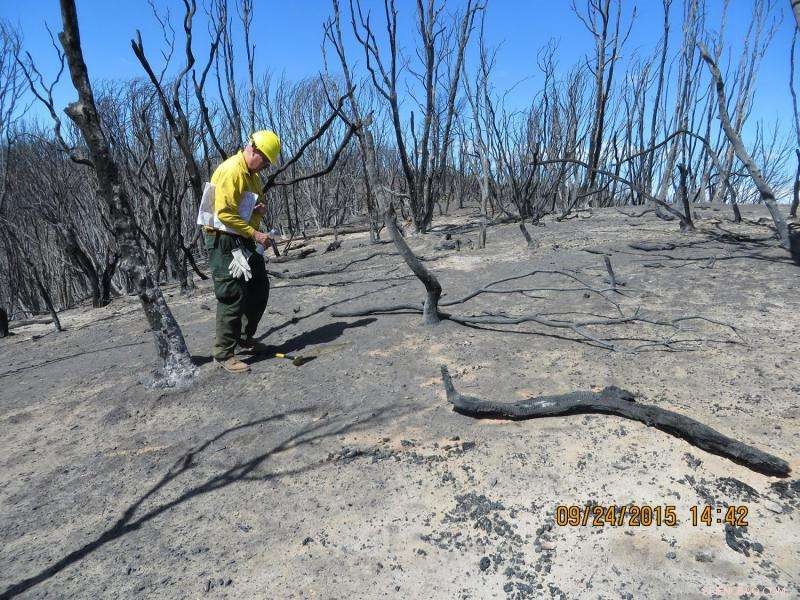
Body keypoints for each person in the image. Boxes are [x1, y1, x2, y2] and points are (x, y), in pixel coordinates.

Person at [202, 130, 281, 374]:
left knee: (258, 287)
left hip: (243, 236)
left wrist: (259, 212)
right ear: (253, 149)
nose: (265, 166)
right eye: (265, 160)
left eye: (269, 163)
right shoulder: (232, 170)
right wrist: (255, 234)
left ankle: (245, 338)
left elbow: (247, 206)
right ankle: (224, 353)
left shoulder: (253, 175)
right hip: (223, 239)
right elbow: (223, 213)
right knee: (232, 293)